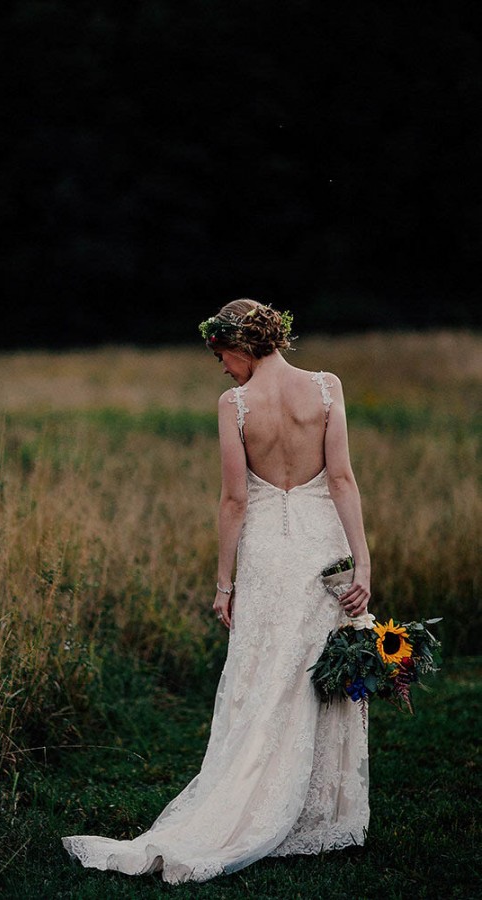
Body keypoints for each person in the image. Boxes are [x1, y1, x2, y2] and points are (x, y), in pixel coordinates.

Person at [62, 299, 371, 884]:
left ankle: (254, 802)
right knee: (318, 670)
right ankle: (318, 817)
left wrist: (223, 582)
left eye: (222, 356)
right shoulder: (327, 389)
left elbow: (233, 501)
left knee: (263, 677)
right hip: (323, 548)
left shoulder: (236, 406)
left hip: (266, 558)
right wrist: (364, 567)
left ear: (242, 345)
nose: (223, 369)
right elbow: (342, 479)